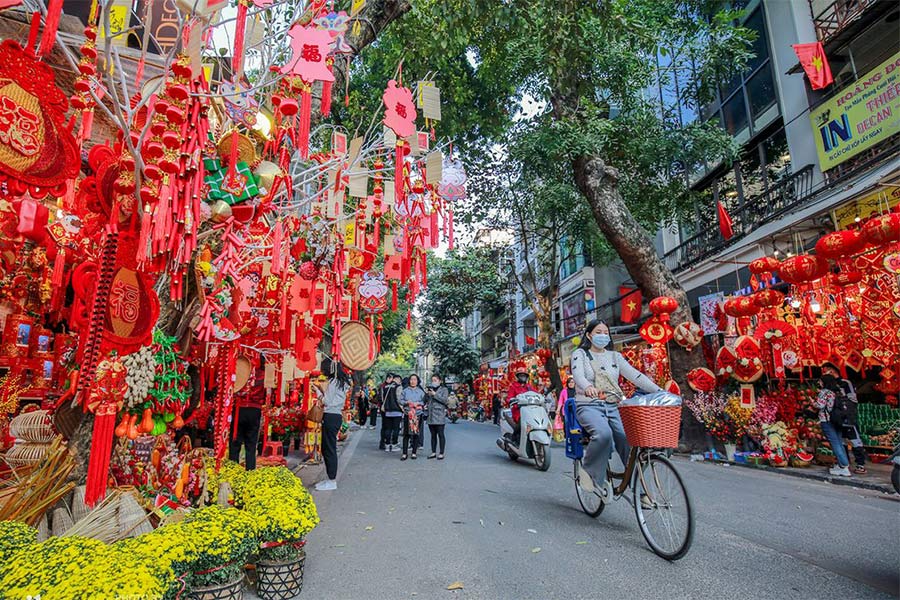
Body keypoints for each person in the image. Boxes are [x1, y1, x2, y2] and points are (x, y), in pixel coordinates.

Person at [571, 320, 663, 503]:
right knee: (603, 434)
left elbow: (635, 375)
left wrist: (659, 391)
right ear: (589, 335)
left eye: (606, 332)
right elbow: (578, 376)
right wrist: (588, 387)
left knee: (628, 439)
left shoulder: (615, 356)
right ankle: (589, 473)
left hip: (614, 405)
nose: (603, 335)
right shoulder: (579, 354)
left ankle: (639, 488)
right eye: (598, 332)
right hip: (589, 405)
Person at [316, 357, 352, 491]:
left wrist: (318, 392)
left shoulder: (334, 382)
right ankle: (329, 478)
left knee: (329, 448)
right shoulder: (341, 382)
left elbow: (327, 401)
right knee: (328, 447)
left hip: (330, 415)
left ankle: (331, 480)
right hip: (335, 416)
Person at [822, 366, 867, 474]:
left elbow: (853, 399)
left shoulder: (845, 383)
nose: (823, 374)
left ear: (832, 371)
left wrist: (840, 401)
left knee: (854, 440)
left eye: (825, 371)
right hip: (836, 417)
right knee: (841, 440)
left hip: (847, 415)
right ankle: (844, 462)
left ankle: (860, 464)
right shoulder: (829, 385)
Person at [229, 359, 265, 470]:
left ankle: (233, 470)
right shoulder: (262, 374)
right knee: (251, 444)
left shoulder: (240, 370)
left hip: (240, 409)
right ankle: (250, 471)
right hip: (254, 410)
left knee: (235, 442)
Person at [399, 374, 425, 460]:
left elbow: (424, 402)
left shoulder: (421, 392)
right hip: (408, 414)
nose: (413, 381)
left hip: (418, 414)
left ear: (417, 381)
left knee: (416, 433)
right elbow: (401, 401)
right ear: (409, 381)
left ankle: (414, 452)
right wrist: (407, 402)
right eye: (411, 379)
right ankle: (404, 453)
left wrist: (418, 403)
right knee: (406, 434)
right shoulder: (405, 391)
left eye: (415, 379)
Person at [425, 374, 449, 459]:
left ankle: (441, 452)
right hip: (431, 415)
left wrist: (435, 394)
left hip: (439, 415)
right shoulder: (430, 389)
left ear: (440, 381)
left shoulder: (444, 389)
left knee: (440, 434)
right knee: (433, 435)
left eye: (435, 380)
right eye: (432, 380)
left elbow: (445, 401)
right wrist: (427, 394)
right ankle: (433, 452)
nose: (433, 382)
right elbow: (426, 400)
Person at [380, 373, 402, 451]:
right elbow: (399, 399)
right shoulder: (398, 387)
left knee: (388, 428)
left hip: (387, 411)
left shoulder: (385, 387)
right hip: (397, 411)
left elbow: (382, 399)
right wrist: (402, 408)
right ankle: (394, 444)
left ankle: (387, 444)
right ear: (397, 379)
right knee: (396, 429)